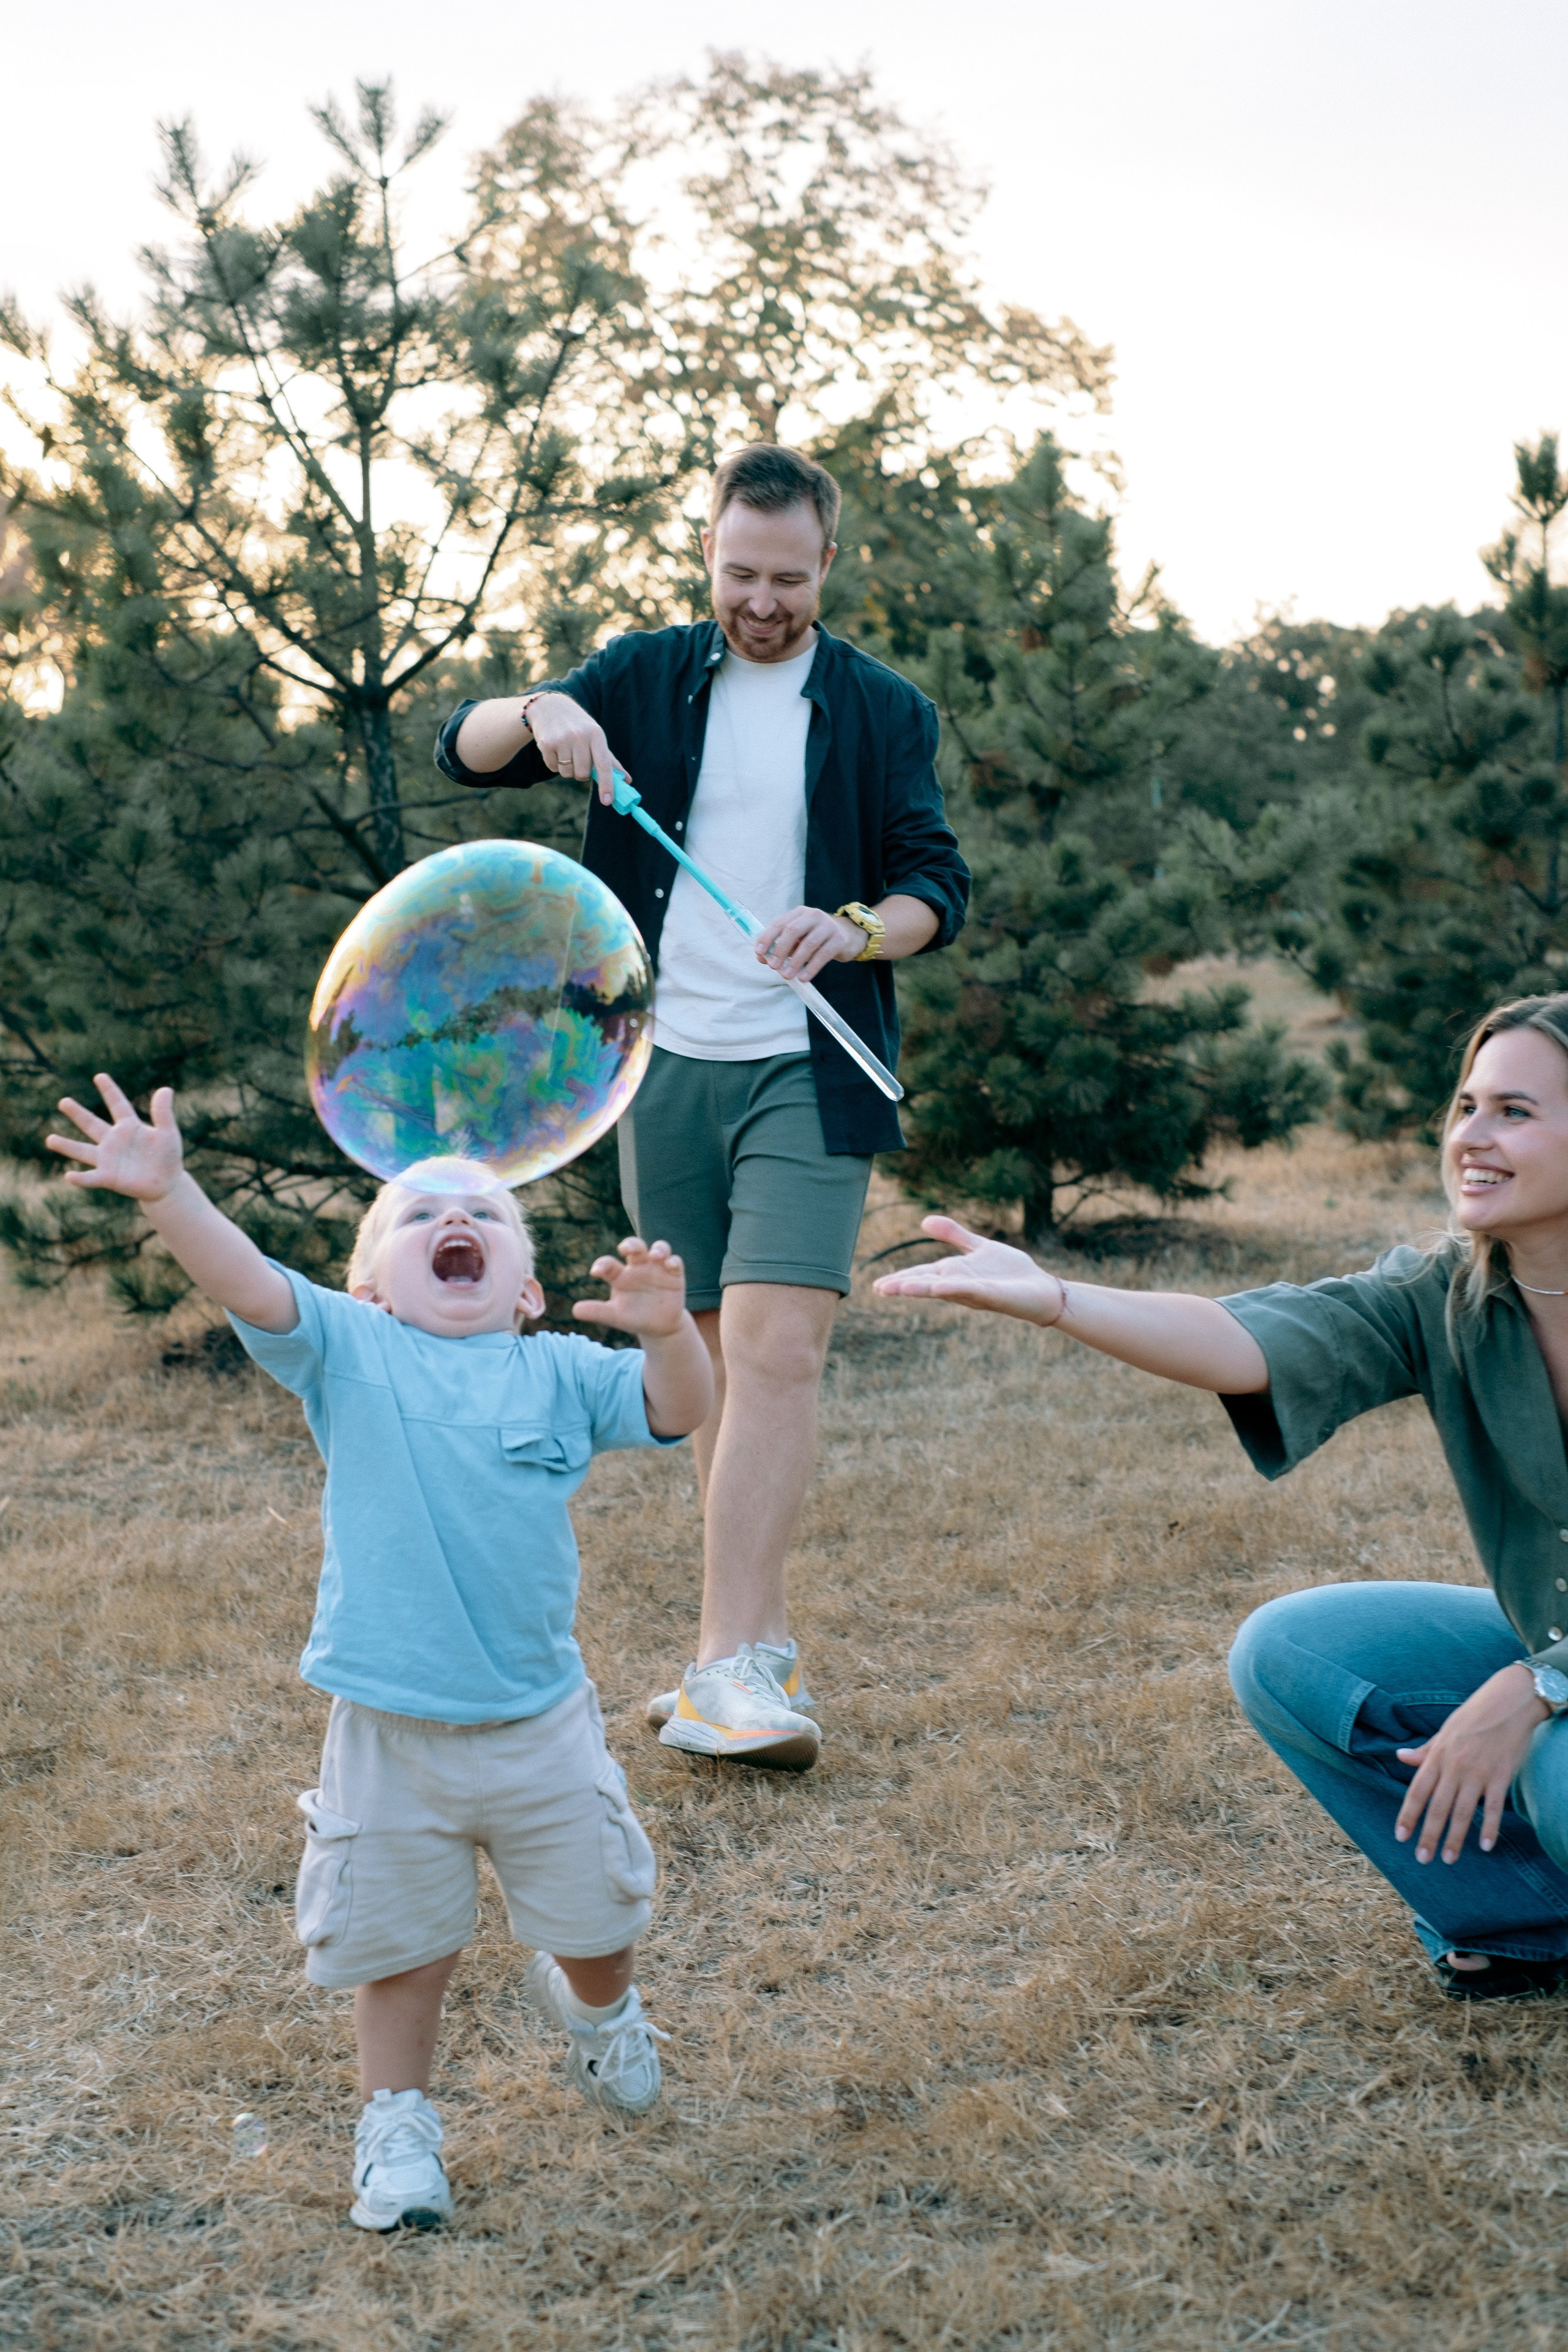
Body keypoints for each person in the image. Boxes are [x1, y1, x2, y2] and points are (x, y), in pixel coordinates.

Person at [47, 1076, 712, 2230]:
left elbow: (679, 1410)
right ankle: (396, 2122)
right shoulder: (349, 1353)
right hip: (388, 1732)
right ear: (367, 1287)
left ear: (529, 1288)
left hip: (539, 1721)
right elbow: (246, 1278)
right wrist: (171, 1191)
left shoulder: (559, 1369)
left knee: (599, 1922)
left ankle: (600, 2012)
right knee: (400, 1947)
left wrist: (671, 1332)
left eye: (488, 1215)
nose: (455, 1220)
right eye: (416, 1216)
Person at [435, 442, 970, 1771]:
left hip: (809, 1065)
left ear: (827, 564)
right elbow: (466, 746)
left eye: (788, 578)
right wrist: (536, 708)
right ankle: (740, 1650)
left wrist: (850, 929)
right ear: (709, 552)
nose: (763, 601)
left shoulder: (882, 709)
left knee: (781, 1351)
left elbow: (933, 891)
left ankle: (729, 1668)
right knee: (715, 1365)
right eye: (740, 572)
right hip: (658, 1067)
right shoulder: (640, 673)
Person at [874, 992, 1568, 2003]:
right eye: (1466, 1106)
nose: (1472, 1136)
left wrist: (1539, 1688)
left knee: (1555, 1769)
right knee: (1295, 1654)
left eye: (1515, 1111)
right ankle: (1528, 1926)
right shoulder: (1447, 1297)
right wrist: (1061, 1300)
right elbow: (1249, 1340)